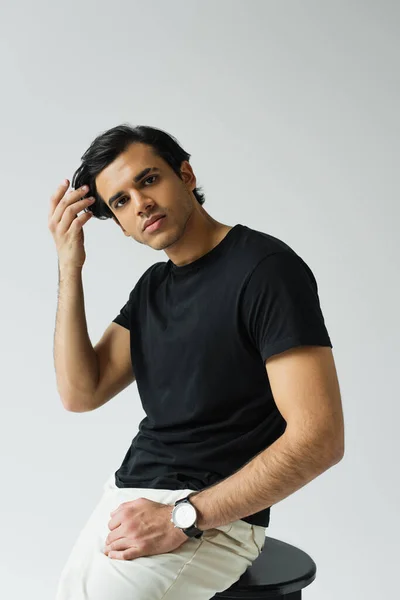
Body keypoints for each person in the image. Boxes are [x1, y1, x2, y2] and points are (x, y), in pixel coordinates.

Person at [48, 124, 344, 600]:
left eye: (148, 180)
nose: (140, 203)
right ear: (119, 225)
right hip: (130, 494)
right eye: (120, 202)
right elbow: (81, 392)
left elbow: (320, 439)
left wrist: (182, 518)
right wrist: (69, 266)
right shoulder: (153, 289)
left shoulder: (266, 270)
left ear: (185, 174)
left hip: (212, 517)